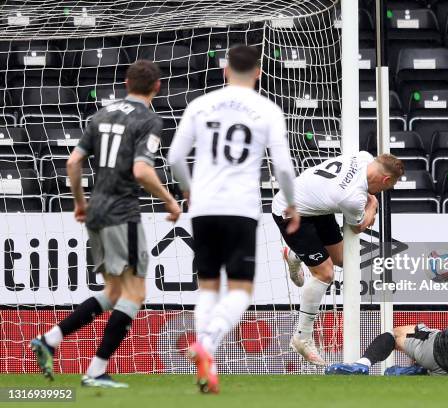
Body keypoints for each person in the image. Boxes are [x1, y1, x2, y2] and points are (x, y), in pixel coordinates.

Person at [30, 60, 181, 388]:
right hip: (122, 212)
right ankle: (97, 369)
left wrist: (81, 203)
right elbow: (141, 170)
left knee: (114, 292)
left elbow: (73, 162)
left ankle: (50, 338)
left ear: (126, 82)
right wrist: (170, 201)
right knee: (135, 292)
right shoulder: (149, 120)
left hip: (97, 210)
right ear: (157, 88)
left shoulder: (100, 115)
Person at [168, 44, 298, 394]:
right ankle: (207, 346)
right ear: (258, 72)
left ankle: (203, 352)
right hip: (240, 209)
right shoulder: (267, 109)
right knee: (241, 289)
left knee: (208, 286)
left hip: (204, 208)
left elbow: (175, 157)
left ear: (225, 70)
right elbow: (283, 166)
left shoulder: (201, 105)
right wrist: (293, 205)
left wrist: (188, 190)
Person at [272, 152, 404, 365]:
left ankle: (295, 254)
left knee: (343, 259)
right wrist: (372, 206)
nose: (382, 192)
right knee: (325, 273)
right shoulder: (352, 198)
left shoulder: (363, 157)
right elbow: (359, 226)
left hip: (314, 204)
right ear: (385, 180)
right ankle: (302, 337)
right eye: (386, 188)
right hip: (290, 211)